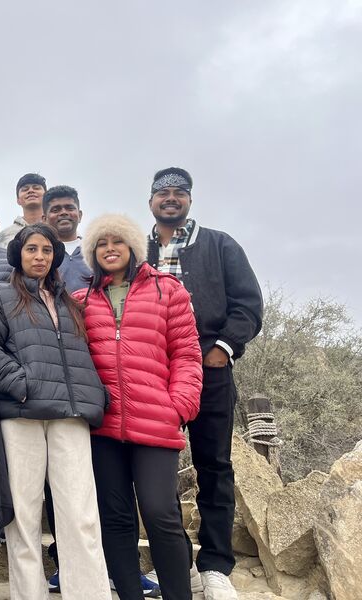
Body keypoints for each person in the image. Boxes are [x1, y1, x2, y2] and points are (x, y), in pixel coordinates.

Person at [0, 223, 111, 600]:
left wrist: (95, 393)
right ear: (19, 254)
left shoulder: (70, 303)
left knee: (80, 516)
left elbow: (84, 353)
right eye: (32, 249)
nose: (40, 257)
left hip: (70, 415)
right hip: (21, 414)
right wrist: (23, 384)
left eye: (47, 250)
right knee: (24, 517)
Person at [145, 167, 263, 600]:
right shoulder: (139, 249)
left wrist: (223, 348)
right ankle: (177, 564)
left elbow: (248, 304)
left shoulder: (219, 244)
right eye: (163, 193)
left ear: (190, 200)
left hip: (209, 369)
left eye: (179, 192)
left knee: (213, 465)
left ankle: (215, 566)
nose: (171, 198)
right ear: (151, 201)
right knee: (158, 469)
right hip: (153, 373)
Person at [73, 214, 202, 600]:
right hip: (102, 426)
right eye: (101, 243)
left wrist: (179, 407)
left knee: (161, 513)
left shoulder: (168, 290)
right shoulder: (80, 300)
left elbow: (186, 355)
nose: (109, 248)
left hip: (156, 422)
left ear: (133, 246)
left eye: (118, 241)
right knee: (114, 518)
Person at [42, 185, 90, 293]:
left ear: (80, 215)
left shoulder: (95, 251)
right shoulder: (40, 254)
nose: (63, 212)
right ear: (44, 219)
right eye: (56, 210)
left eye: (70, 208)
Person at [0, 172, 47, 248]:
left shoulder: (58, 228)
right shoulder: (3, 237)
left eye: (36, 188)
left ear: (46, 196)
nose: (31, 191)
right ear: (18, 200)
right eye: (25, 189)